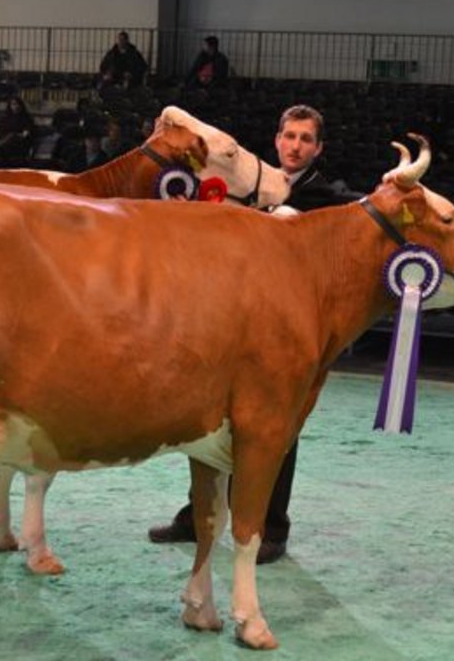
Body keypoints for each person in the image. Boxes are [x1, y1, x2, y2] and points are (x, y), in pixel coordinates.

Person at [146, 104, 361, 564]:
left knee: (278, 428)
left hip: (286, 336)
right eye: (289, 136)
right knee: (208, 423)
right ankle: (197, 517)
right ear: (277, 140)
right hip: (231, 325)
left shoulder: (328, 198)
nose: (295, 145)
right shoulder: (251, 188)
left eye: (305, 139)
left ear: (318, 148)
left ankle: (272, 528)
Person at [0, 96, 36, 167]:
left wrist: (15, 135)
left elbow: (26, 133)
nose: (16, 106)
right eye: (13, 104)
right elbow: (0, 133)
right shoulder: (5, 119)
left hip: (20, 144)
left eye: (17, 104)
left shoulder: (26, 118)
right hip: (5, 143)